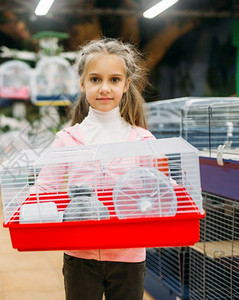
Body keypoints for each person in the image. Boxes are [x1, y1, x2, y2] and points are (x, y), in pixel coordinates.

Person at [49, 37, 155, 300]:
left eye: (114, 80)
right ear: (82, 83)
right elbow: (45, 191)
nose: (104, 88)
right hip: (80, 257)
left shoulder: (143, 141)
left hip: (129, 256)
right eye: (95, 79)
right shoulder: (67, 139)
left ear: (127, 84)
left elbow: (157, 193)